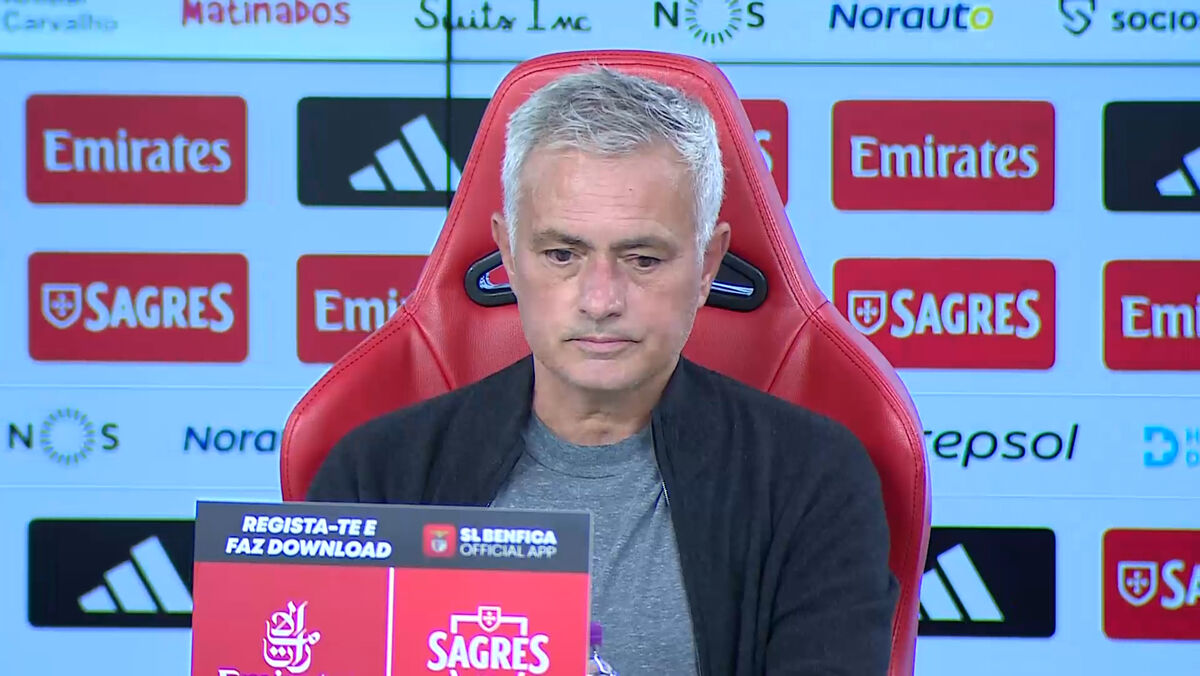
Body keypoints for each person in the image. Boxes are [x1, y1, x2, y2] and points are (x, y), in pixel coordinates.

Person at [307, 65, 898, 675]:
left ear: (706, 266)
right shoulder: (374, 477)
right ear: (508, 255)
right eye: (562, 254)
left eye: (642, 259)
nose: (600, 300)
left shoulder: (813, 482)